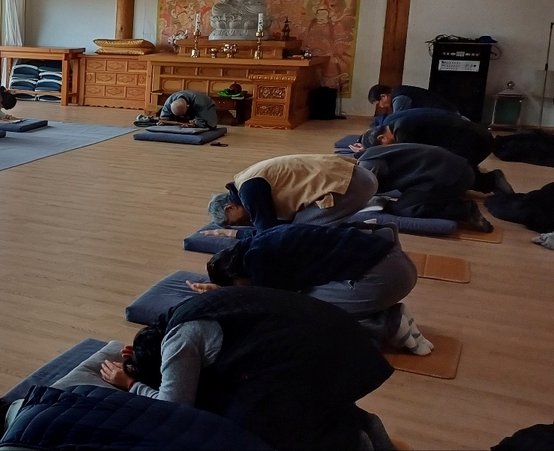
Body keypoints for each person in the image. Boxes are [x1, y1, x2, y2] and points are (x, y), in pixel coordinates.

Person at [98, 287, 396, 450]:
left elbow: (174, 408)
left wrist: (131, 385)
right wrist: (138, 353)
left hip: (326, 355)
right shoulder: (184, 311)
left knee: (250, 424)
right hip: (345, 337)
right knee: (296, 397)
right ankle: (364, 425)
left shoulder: (179, 342)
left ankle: (353, 442)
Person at [193, 223, 433, 354]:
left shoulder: (257, 260)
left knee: (306, 312)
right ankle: (384, 312)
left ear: (236, 275)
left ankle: (387, 323)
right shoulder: (260, 242)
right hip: (397, 263)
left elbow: (267, 308)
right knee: (305, 297)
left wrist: (225, 297)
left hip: (386, 277)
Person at [205, 154, 377, 238]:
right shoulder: (244, 181)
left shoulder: (249, 191)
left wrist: (233, 235)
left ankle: (376, 239)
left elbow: (269, 235)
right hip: (360, 177)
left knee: (297, 235)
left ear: (230, 207)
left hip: (352, 183)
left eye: (236, 222)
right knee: (305, 227)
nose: (244, 224)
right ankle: (376, 232)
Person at [356, 108, 513, 195]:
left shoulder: (403, 132)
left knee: (453, 172)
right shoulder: (395, 123)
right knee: (455, 169)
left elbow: (413, 163)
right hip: (477, 133)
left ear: (383, 138)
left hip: (475, 139)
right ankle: (489, 180)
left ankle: (492, 180)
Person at [358, 143, 495, 232]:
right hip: (455, 169)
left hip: (451, 176)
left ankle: (463, 209)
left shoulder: (368, 166)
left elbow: (365, 192)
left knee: (404, 210)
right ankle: (487, 182)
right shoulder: (369, 154)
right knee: (404, 201)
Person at [367, 84, 460, 117]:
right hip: (448, 112)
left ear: (383, 96)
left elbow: (397, 121)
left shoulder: (399, 98)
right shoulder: (400, 91)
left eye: (378, 103)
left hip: (447, 116)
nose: (381, 106)